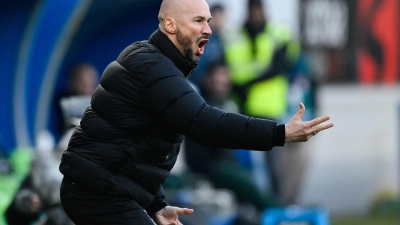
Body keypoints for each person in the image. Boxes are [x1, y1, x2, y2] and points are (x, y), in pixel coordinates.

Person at [59, 0, 334, 224]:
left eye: (209, 21)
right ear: (170, 24)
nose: (209, 30)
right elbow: (206, 123)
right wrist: (280, 133)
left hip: (101, 189)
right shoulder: (155, 69)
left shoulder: (151, 61)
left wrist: (156, 204)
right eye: (198, 21)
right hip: (98, 192)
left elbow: (134, 148)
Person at [224, 0, 303, 203]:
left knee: (272, 163)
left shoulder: (279, 34)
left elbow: (281, 66)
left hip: (269, 107)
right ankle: (249, 204)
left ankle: (275, 205)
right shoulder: (233, 35)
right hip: (240, 106)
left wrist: (247, 84)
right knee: (244, 163)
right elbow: (224, 67)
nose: (256, 14)